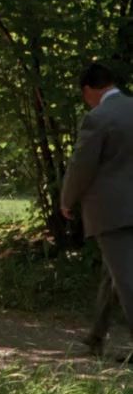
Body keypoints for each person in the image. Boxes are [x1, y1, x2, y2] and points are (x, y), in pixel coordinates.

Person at [61, 62, 133, 360]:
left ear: (89, 89)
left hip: (112, 211)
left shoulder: (99, 117)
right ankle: (96, 336)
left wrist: (67, 199)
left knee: (126, 279)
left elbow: (82, 165)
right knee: (113, 273)